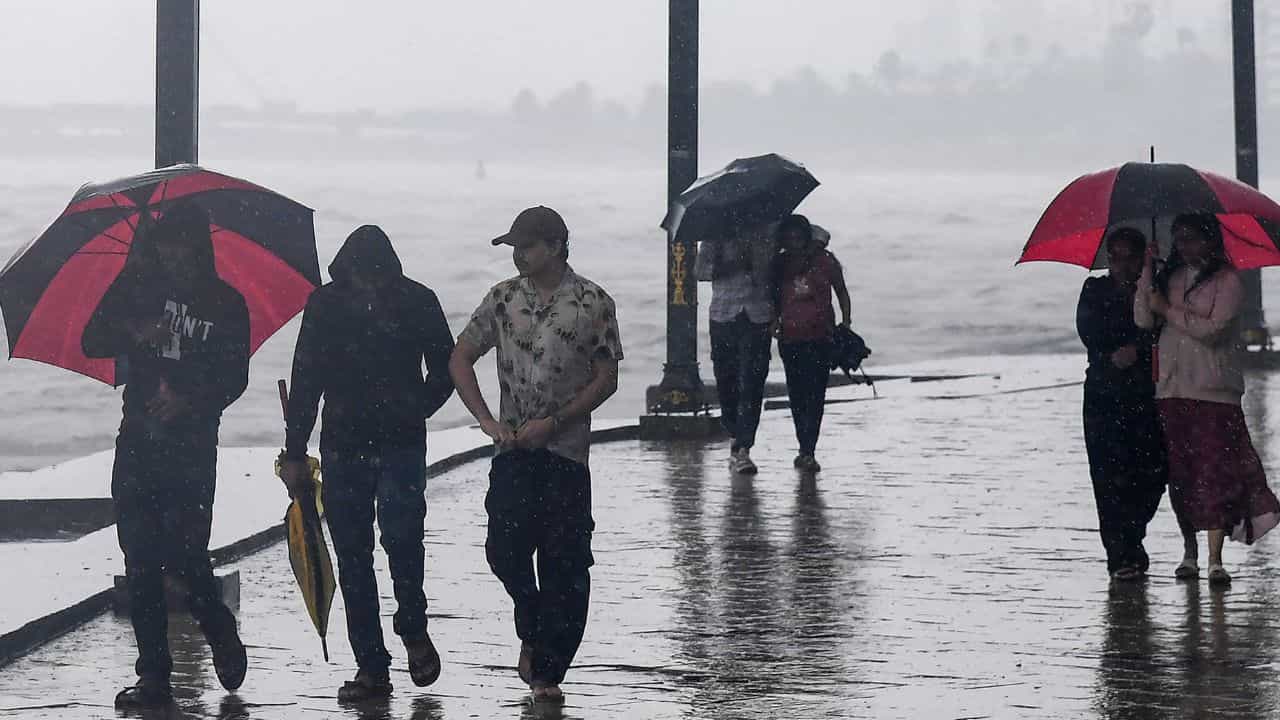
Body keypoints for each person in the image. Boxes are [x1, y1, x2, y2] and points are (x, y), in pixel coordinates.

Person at [449, 206, 623, 703]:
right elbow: (460, 357)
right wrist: (486, 420)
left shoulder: (593, 302)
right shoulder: (503, 299)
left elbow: (606, 377)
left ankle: (548, 670)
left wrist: (556, 422)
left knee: (565, 564)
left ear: (555, 246)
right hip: (512, 452)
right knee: (503, 550)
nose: (519, 255)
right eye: (514, 248)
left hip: (566, 454)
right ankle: (530, 618)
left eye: (526, 246)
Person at [81, 203, 250, 708]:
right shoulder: (137, 287)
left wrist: (187, 402)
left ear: (200, 247)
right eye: (164, 245)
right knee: (139, 560)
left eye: (181, 245)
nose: (172, 255)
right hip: (137, 440)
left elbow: (234, 378)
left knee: (184, 557)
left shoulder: (226, 303)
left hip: (192, 447)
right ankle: (154, 674)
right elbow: (92, 339)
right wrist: (136, 332)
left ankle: (217, 626)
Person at [281, 225, 455, 702]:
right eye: (362, 278)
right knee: (356, 555)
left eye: (377, 279)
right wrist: (295, 450)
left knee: (402, 542)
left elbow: (447, 369)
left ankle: (412, 628)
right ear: (347, 271)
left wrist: (415, 408)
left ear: (389, 273)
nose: (370, 288)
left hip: (395, 443)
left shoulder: (416, 300)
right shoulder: (327, 305)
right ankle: (372, 665)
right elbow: (306, 380)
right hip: (344, 446)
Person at [1135, 213, 1280, 586]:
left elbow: (1212, 330)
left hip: (1214, 392)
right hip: (1171, 388)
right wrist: (1148, 273)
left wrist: (1167, 309)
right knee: (1181, 476)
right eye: (1180, 239)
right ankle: (1190, 552)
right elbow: (1142, 319)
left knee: (1214, 474)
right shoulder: (1170, 278)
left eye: (1193, 239)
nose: (1186, 247)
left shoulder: (1228, 280)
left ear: (1210, 241)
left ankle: (1215, 559)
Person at [1076, 227, 1166, 581]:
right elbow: (1087, 329)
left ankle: (1133, 536)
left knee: (1153, 470)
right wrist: (1112, 353)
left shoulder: (1155, 286)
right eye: (1115, 256)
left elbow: (1165, 329)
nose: (1121, 264)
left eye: (1130, 256)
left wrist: (1139, 348)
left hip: (1146, 393)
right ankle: (1120, 555)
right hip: (1104, 393)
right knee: (1108, 476)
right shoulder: (1094, 288)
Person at [694, 217, 776, 475]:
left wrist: (758, 259)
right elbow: (700, 272)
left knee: (753, 380)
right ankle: (733, 433)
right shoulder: (713, 236)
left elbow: (774, 271)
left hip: (757, 314)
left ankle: (743, 448)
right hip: (723, 314)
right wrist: (731, 263)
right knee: (726, 380)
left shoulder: (766, 230)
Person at [769, 214, 851, 473]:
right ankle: (803, 446)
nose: (793, 241)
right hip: (791, 338)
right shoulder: (779, 264)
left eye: (798, 236)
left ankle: (808, 450)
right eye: (789, 236)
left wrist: (846, 322)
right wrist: (773, 323)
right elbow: (771, 297)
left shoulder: (825, 261)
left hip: (821, 337)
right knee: (797, 395)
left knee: (815, 395)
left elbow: (842, 291)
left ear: (806, 236)